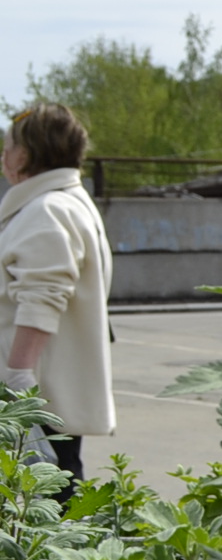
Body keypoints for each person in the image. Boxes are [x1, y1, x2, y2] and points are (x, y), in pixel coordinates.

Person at [0, 104, 114, 487]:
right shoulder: (68, 202)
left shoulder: (46, 210)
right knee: (60, 491)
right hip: (51, 399)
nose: (3, 157)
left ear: (25, 155)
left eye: (7, 148)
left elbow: (42, 298)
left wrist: (18, 381)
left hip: (34, 399)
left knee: (44, 502)